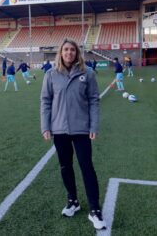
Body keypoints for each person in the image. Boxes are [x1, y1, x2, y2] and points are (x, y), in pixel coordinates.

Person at [40, 38, 106, 230]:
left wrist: (93, 126)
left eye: (72, 50)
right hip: (59, 130)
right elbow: (45, 101)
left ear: (77, 53)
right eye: (66, 50)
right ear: (60, 52)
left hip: (82, 129)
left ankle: (94, 209)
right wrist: (45, 126)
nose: (69, 53)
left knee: (87, 167)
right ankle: (73, 200)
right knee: (65, 166)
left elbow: (94, 100)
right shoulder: (51, 75)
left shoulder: (88, 73)